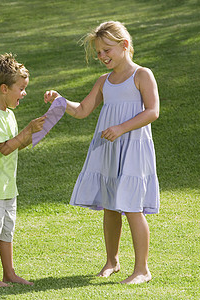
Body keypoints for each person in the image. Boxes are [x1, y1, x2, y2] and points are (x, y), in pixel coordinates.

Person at [44, 21, 160, 284]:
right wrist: (60, 101)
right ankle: (112, 261)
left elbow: (153, 111)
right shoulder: (103, 81)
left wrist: (121, 128)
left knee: (132, 207)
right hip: (110, 147)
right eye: (99, 53)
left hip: (133, 147)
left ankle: (142, 269)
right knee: (110, 205)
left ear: (124, 45)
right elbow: (82, 110)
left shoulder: (142, 75)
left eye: (107, 50)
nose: (102, 56)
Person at [0, 53, 46, 287]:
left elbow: (14, 146)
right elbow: (4, 148)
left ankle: (9, 273)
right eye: (21, 88)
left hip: (6, 186)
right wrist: (27, 130)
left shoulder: (8, 114)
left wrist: (34, 134)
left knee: (6, 231)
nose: (24, 93)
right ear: (4, 88)